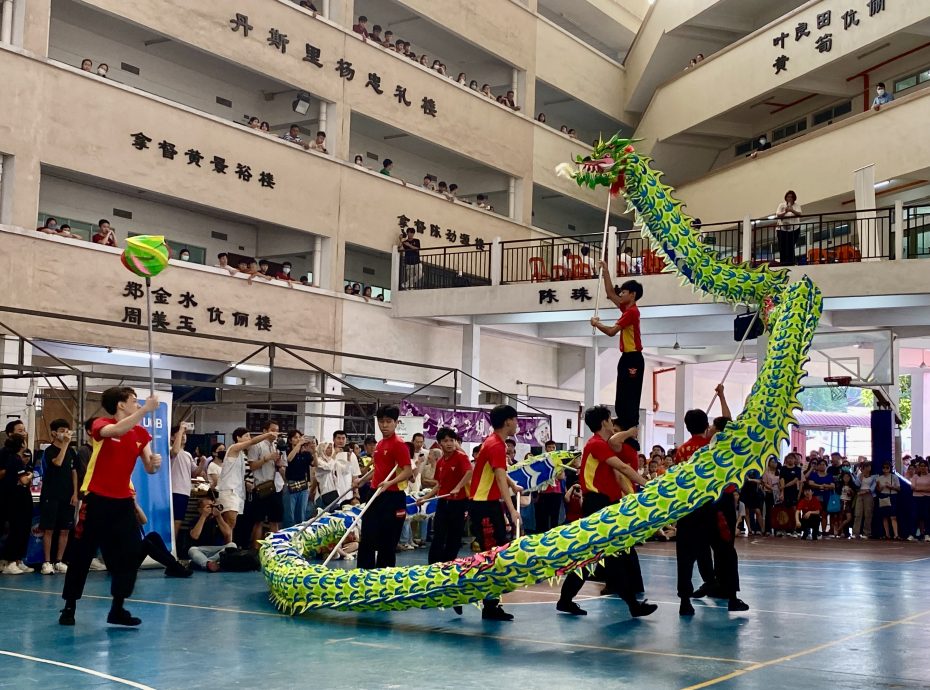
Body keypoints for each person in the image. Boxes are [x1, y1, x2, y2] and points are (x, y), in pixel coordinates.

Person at [59, 387, 162, 627]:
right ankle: (69, 606)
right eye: (134, 401)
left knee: (129, 555)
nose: (138, 404)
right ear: (120, 405)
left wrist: (154, 464)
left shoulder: (141, 433)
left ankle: (117, 608)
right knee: (82, 555)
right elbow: (117, 430)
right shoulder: (101, 425)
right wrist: (147, 409)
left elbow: (149, 467)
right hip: (96, 500)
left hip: (123, 503)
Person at [556, 407, 654, 618]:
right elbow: (624, 469)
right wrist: (649, 485)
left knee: (591, 557)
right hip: (596, 505)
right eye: (610, 420)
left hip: (602, 504)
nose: (612, 424)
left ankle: (565, 600)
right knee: (611, 556)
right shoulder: (596, 445)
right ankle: (633, 606)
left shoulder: (600, 444)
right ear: (604, 423)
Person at [467, 406, 524, 621]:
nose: (517, 424)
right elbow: (500, 479)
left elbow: (500, 473)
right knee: (491, 557)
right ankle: (487, 605)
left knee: (497, 555)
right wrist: (512, 510)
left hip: (489, 506)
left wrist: (514, 485)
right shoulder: (495, 445)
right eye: (516, 420)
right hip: (484, 508)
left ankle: (492, 604)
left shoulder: (493, 443)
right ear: (508, 421)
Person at [357, 405, 413, 569]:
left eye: (388, 421)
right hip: (375, 494)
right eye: (381, 421)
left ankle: (383, 577)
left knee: (388, 542)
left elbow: (408, 471)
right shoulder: (380, 444)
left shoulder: (399, 445)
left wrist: (390, 483)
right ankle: (363, 574)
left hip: (393, 497)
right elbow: (377, 469)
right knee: (367, 536)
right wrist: (361, 480)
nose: (384, 425)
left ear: (396, 423)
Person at [591, 262, 644, 429]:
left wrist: (596, 324)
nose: (621, 294)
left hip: (634, 357)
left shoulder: (632, 312)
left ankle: (630, 425)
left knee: (630, 393)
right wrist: (606, 271)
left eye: (624, 292)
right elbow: (609, 292)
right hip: (627, 357)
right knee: (622, 391)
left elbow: (612, 331)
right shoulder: (625, 308)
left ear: (633, 295)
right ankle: (623, 422)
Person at [418, 429, 472, 572]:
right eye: (445, 441)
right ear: (440, 443)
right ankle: (433, 567)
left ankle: (448, 567)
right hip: (443, 502)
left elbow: (469, 472)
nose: (449, 444)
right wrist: (424, 498)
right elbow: (439, 485)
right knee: (438, 535)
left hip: (459, 503)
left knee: (454, 537)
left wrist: (458, 487)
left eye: (451, 440)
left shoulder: (461, 457)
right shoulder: (441, 462)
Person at [215, 427, 276, 535]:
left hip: (239, 492)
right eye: (246, 435)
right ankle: (225, 547)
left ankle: (230, 546)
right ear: (238, 438)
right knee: (230, 522)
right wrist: (267, 435)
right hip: (229, 490)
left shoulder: (243, 455)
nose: (249, 438)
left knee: (233, 524)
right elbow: (253, 441)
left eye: (249, 435)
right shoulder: (233, 448)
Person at [39, 419, 79, 575]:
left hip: (67, 495)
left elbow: (74, 471)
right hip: (51, 495)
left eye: (68, 430)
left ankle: (59, 561)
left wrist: (75, 493)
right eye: (62, 430)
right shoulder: (48, 451)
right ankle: (47, 562)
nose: (66, 433)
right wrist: (65, 445)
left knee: (65, 530)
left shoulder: (72, 451)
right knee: (48, 529)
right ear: (54, 433)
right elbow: (57, 463)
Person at [245, 420, 285, 549]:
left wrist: (278, 463)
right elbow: (252, 466)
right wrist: (266, 458)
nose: (275, 433)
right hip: (261, 486)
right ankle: (256, 549)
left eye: (277, 431)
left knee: (275, 520)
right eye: (272, 430)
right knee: (259, 521)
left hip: (275, 487)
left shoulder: (275, 446)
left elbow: (280, 466)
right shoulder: (256, 446)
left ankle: (276, 548)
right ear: (264, 431)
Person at [1, 434, 34, 575]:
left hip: (18, 498)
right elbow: (24, 480)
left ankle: (17, 560)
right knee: (16, 529)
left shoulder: (15, 459)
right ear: (21, 445)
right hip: (16, 499)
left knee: (21, 529)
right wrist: (31, 475)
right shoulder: (15, 459)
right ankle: (10, 562)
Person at [170, 424, 206, 547]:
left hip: (184, 492)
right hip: (174, 490)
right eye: (180, 434)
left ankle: (173, 548)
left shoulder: (188, 454)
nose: (184, 436)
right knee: (173, 522)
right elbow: (175, 451)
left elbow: (194, 472)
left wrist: (202, 464)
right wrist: (181, 429)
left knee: (178, 521)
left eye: (185, 434)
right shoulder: (169, 449)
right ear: (172, 438)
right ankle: (171, 550)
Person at [187, 499, 236, 572]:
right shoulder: (195, 520)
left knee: (232, 545)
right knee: (192, 550)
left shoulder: (218, 520)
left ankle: (206, 563)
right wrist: (203, 516)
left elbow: (228, 534)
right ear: (200, 510)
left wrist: (219, 516)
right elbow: (195, 536)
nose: (211, 509)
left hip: (218, 550)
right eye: (208, 507)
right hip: (201, 549)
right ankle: (211, 563)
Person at [283, 432, 314, 528]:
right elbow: (288, 459)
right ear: (290, 440)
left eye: (300, 437)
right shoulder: (287, 450)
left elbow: (314, 464)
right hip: (291, 484)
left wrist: (314, 450)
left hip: (303, 485)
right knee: (290, 514)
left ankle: (300, 533)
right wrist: (299, 444)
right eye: (295, 437)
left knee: (301, 514)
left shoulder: (306, 454)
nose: (298, 439)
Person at [534, 440, 563, 533]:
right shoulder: (541, 460)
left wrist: (549, 474)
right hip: (544, 492)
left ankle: (554, 535)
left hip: (556, 492)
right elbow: (540, 475)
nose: (551, 449)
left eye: (553, 447)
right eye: (549, 447)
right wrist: (552, 473)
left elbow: (561, 476)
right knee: (544, 517)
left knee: (555, 516)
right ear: (546, 448)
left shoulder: (558, 460)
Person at [775, 190, 802, 266]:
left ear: (794, 198)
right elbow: (778, 215)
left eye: (791, 197)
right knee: (782, 245)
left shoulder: (797, 205)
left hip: (794, 229)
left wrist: (792, 210)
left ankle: (791, 262)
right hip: (782, 229)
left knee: (790, 245)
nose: (789, 198)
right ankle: (783, 262)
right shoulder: (781, 205)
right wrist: (785, 212)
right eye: (788, 196)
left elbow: (799, 214)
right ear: (786, 198)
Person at [875, 462, 900, 539]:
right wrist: (882, 487)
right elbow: (878, 489)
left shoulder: (894, 477)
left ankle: (896, 534)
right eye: (884, 468)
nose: (885, 469)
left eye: (887, 468)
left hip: (892, 495)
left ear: (890, 468)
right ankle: (887, 534)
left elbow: (899, 488)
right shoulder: (879, 478)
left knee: (893, 516)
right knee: (884, 516)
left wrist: (891, 486)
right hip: (883, 496)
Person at [852, 461, 875, 538]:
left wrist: (866, 491)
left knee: (868, 514)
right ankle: (855, 533)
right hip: (860, 495)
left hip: (868, 495)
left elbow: (873, 487)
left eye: (869, 467)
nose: (868, 468)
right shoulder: (860, 475)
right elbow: (856, 485)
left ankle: (866, 532)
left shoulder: (873, 476)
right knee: (858, 514)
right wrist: (861, 478)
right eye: (866, 467)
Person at [910, 459, 930, 541]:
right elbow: (913, 487)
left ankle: (927, 534)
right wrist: (924, 489)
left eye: (924, 466)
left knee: (927, 516)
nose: (922, 468)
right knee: (915, 516)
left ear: (927, 467)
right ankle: (912, 534)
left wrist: (918, 489)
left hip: (927, 498)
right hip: (916, 498)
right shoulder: (915, 476)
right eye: (921, 466)